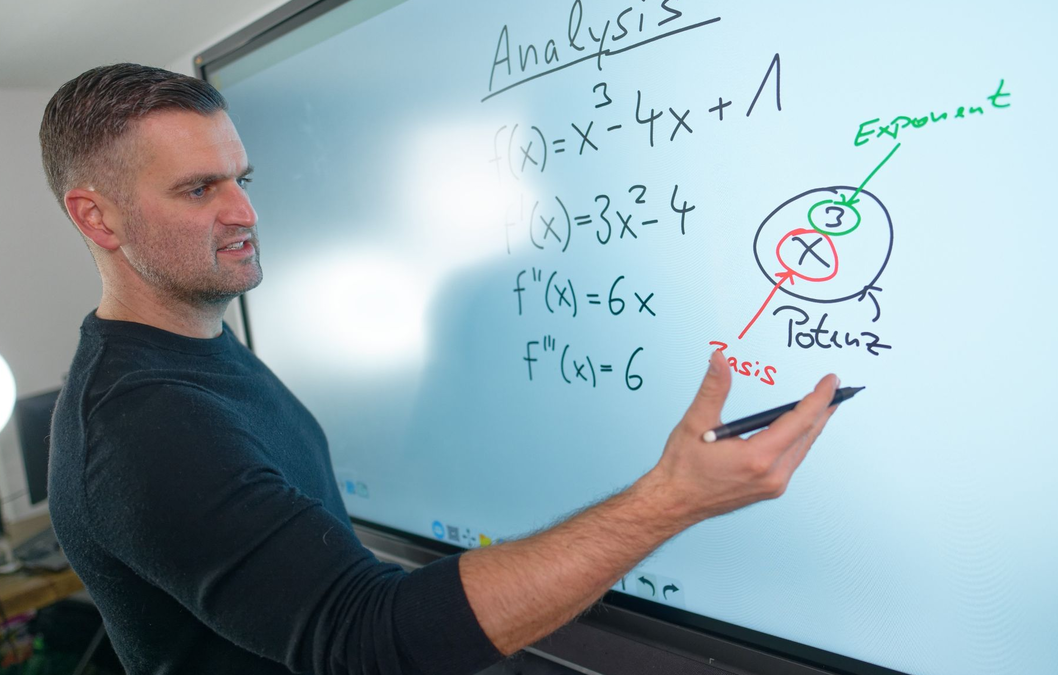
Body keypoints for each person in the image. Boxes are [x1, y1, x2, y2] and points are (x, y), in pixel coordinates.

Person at [42, 63, 839, 675]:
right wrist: (671, 500)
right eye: (198, 188)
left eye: (241, 179)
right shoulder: (141, 427)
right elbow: (363, 638)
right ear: (95, 215)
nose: (245, 211)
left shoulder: (192, 348)